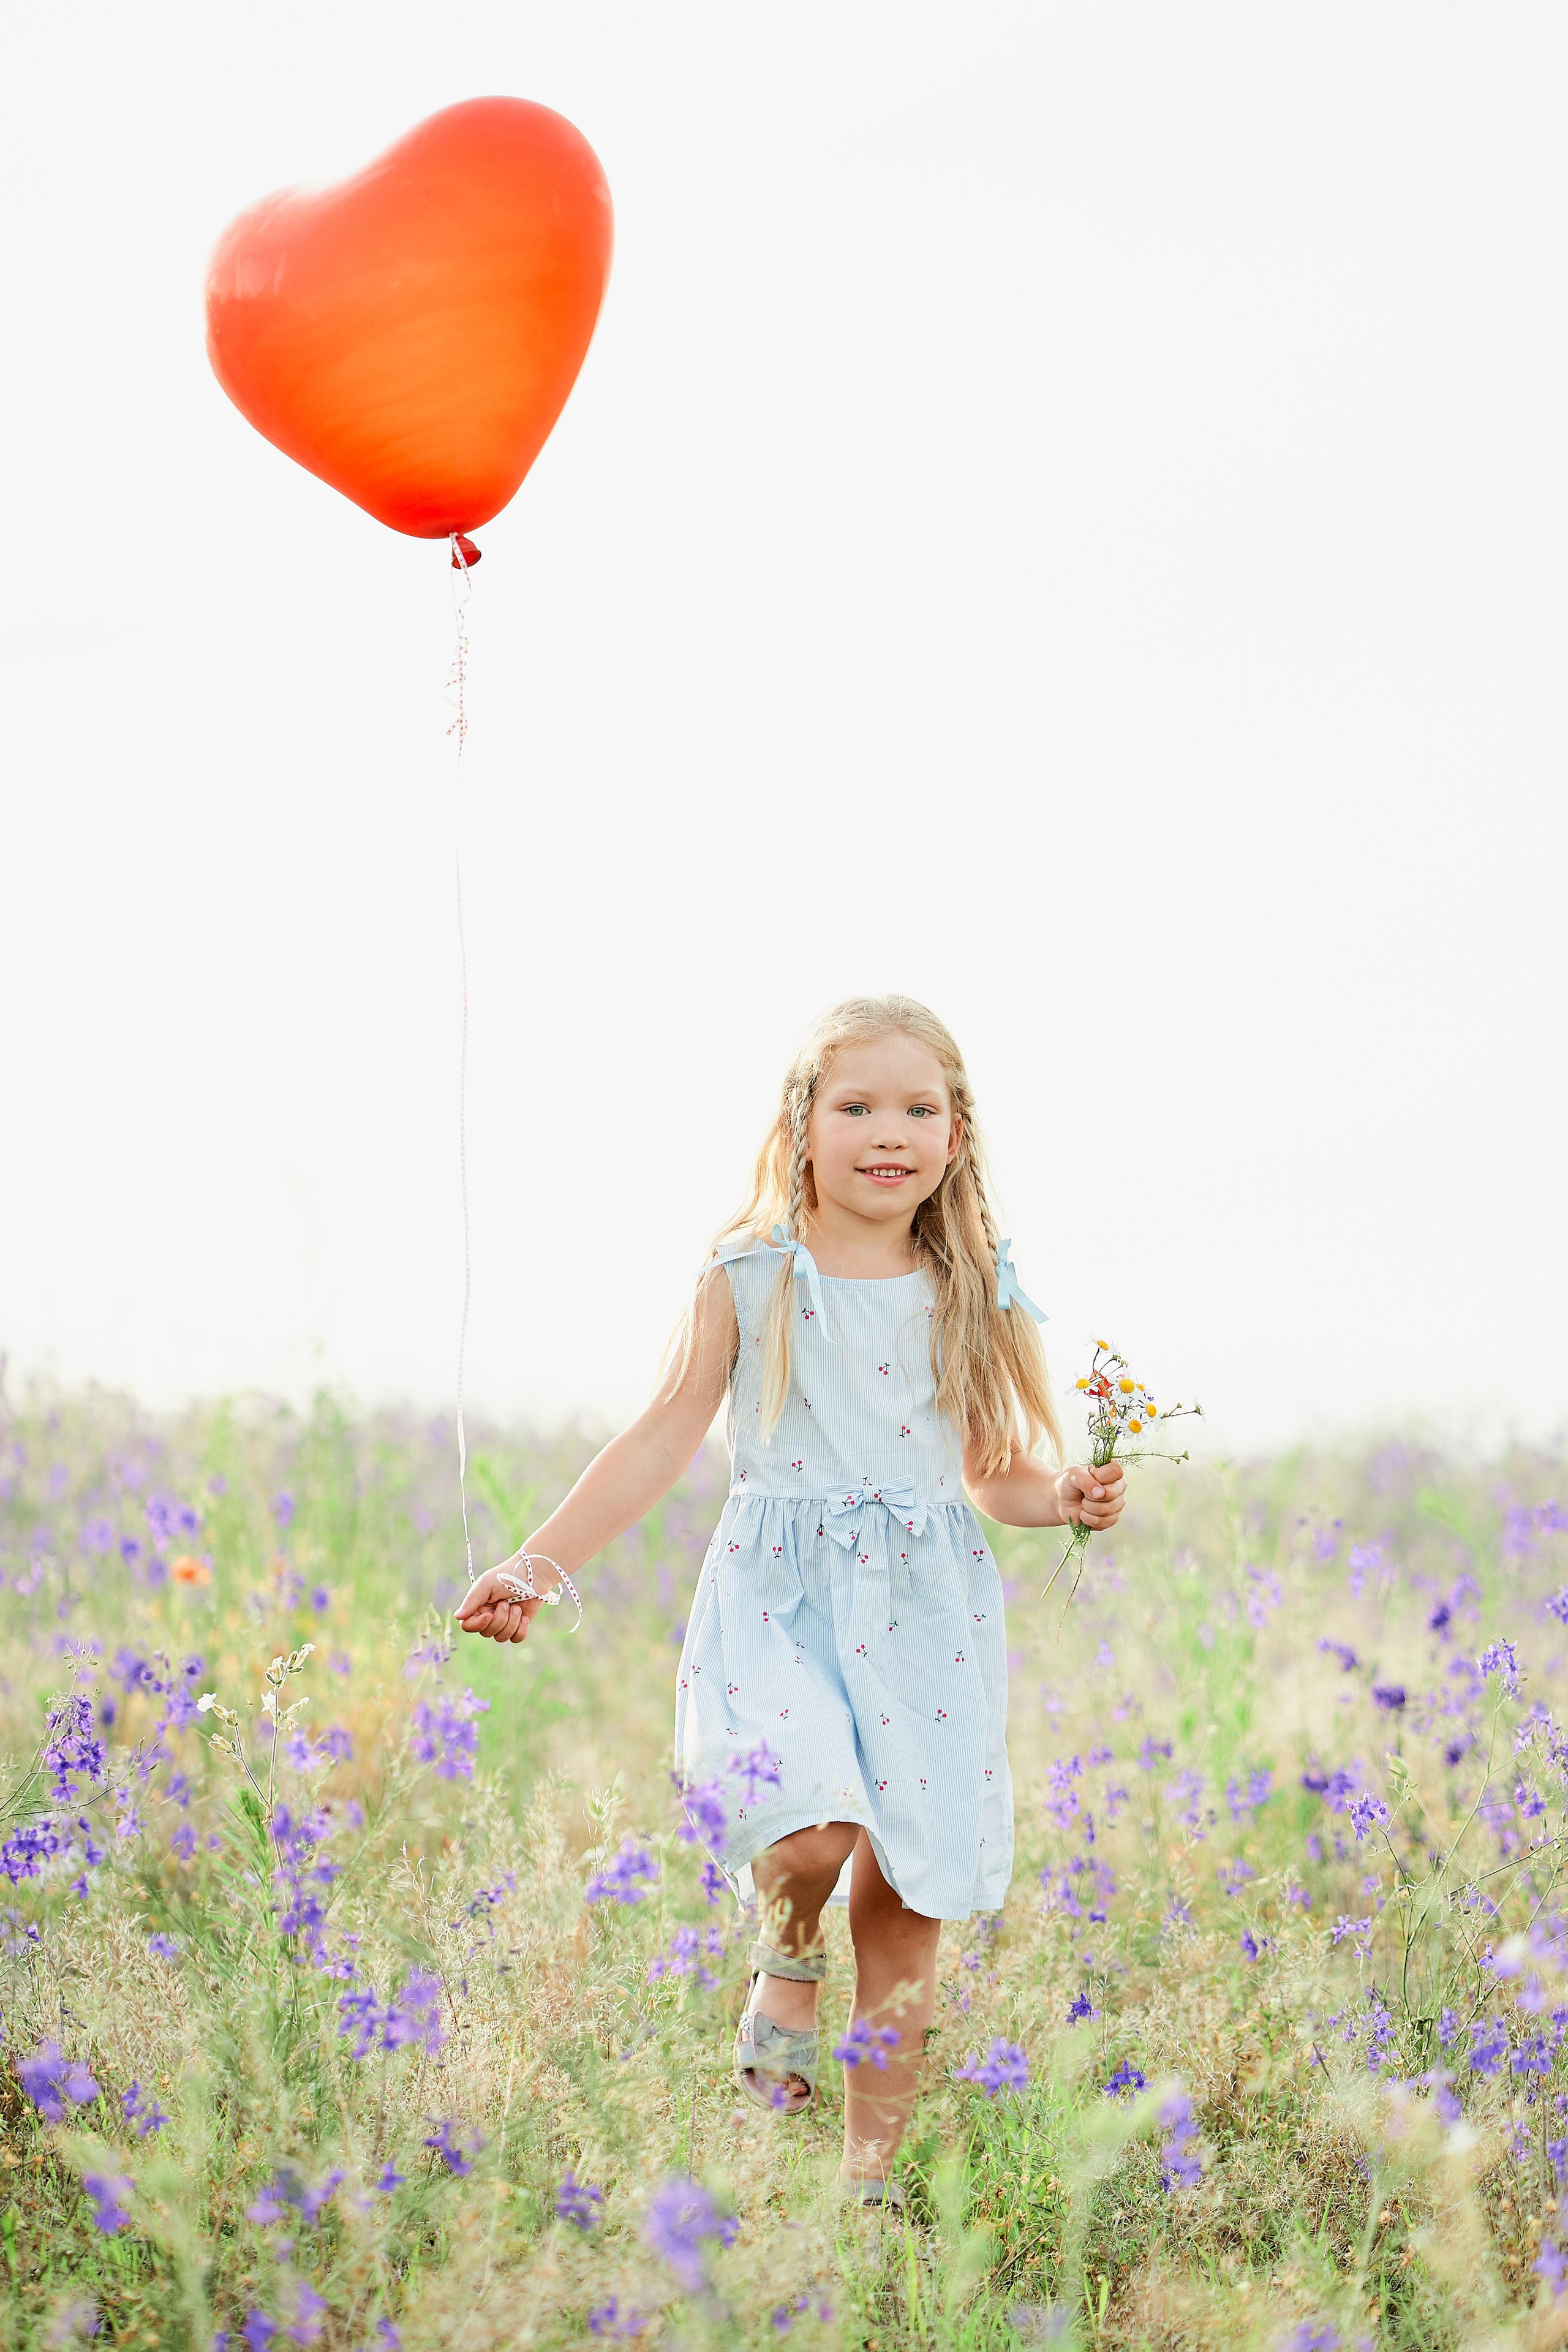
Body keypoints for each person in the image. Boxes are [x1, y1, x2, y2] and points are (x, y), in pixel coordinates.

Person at [456, 993, 1125, 2200]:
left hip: (925, 1607)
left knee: (908, 1894)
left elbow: (988, 1474)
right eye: (856, 1105)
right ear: (801, 1124)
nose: (888, 1132)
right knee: (809, 1830)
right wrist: (534, 1563)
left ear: (955, 1133)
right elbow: (663, 1433)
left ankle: (865, 2187)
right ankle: (786, 1950)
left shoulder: (968, 1282)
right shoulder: (752, 1272)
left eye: (918, 1109)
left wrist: (1060, 1495)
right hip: (779, 1593)